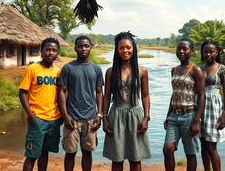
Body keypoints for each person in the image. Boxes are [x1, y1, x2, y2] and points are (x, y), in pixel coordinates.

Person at [103, 31, 151, 171]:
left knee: (135, 158)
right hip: (116, 114)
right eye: (121, 48)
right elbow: (106, 96)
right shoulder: (111, 72)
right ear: (117, 50)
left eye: (128, 47)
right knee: (117, 158)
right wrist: (104, 118)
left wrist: (146, 117)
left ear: (133, 48)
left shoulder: (142, 71)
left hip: (136, 115)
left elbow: (145, 96)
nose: (125, 50)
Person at [58, 35, 104, 171]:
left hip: (90, 118)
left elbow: (99, 92)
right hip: (72, 118)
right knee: (70, 153)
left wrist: (99, 115)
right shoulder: (68, 68)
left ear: (90, 48)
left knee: (87, 152)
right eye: (80, 46)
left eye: (86, 46)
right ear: (75, 48)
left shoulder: (96, 69)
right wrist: (65, 116)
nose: (83, 49)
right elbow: (61, 92)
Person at [19, 37, 62, 171]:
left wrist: (61, 117)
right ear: (41, 51)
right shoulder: (32, 69)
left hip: (54, 119)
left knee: (44, 153)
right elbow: (22, 92)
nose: (51, 53)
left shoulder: (58, 72)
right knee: (32, 155)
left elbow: (61, 95)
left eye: (54, 50)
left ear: (57, 53)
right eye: (48, 49)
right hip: (37, 119)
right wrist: (30, 115)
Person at [163, 38, 205, 171]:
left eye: (185, 49)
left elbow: (201, 95)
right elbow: (174, 94)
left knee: (190, 153)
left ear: (191, 51)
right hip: (174, 116)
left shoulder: (196, 70)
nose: (181, 51)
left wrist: (196, 120)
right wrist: (168, 115)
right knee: (168, 148)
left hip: (189, 115)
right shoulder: (174, 70)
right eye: (179, 48)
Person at [199, 40, 225, 171]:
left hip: (214, 108)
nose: (208, 54)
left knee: (212, 147)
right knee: (203, 145)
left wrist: (224, 114)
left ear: (217, 52)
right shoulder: (199, 68)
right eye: (206, 51)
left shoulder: (222, 68)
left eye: (211, 51)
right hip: (200, 106)